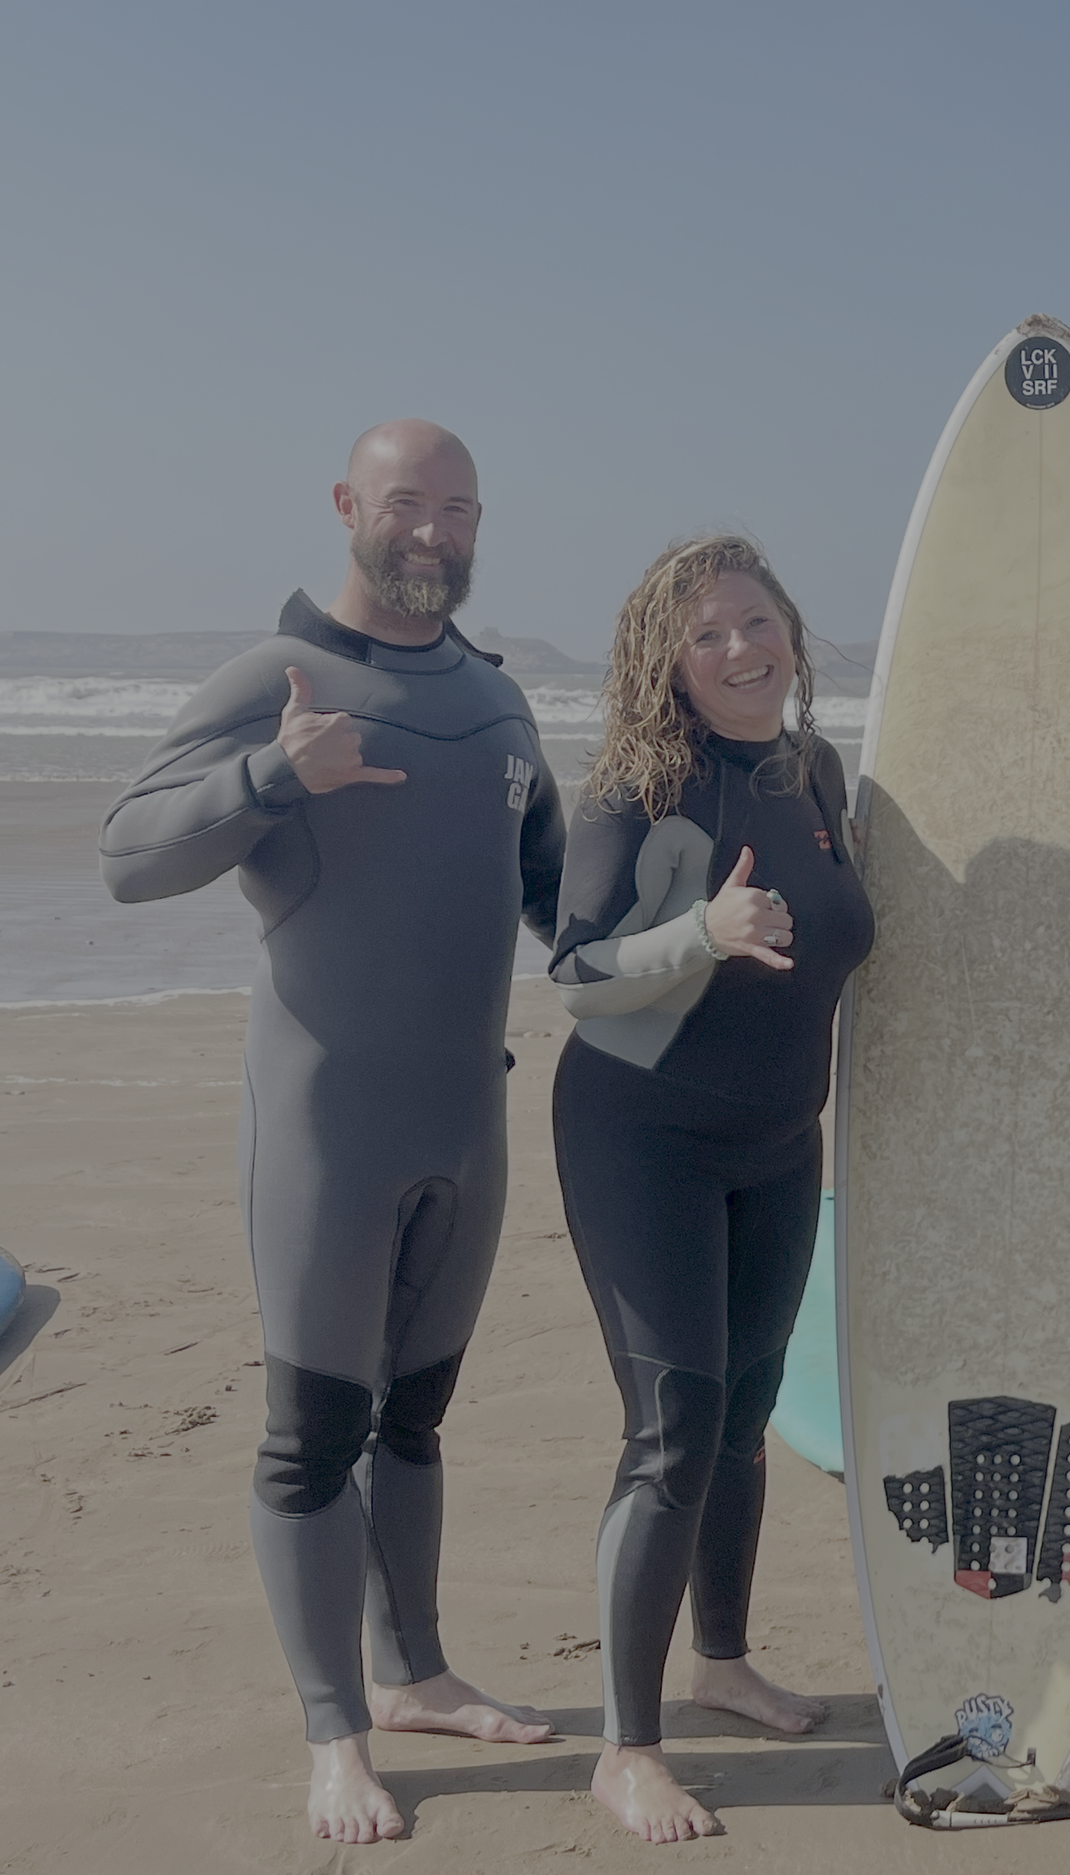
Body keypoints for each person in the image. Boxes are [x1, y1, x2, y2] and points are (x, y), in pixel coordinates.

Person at [99, 421, 565, 1843]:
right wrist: (272, 776)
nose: (434, 529)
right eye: (408, 502)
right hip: (326, 1127)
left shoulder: (499, 704)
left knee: (413, 1420)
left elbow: (561, 897)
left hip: (465, 1123)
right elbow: (127, 852)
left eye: (460, 508)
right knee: (313, 1434)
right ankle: (334, 1730)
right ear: (350, 506)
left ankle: (414, 1668)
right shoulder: (278, 681)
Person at [546, 536, 876, 1843]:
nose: (742, 649)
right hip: (645, 1136)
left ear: (790, 626)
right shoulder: (646, 782)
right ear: (666, 663)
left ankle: (722, 1659)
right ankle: (626, 1750)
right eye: (708, 635)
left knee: (741, 1415)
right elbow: (578, 969)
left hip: (782, 1142)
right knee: (673, 1428)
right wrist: (707, 933)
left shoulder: (815, 771)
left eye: (756, 621)